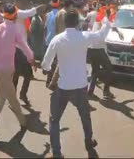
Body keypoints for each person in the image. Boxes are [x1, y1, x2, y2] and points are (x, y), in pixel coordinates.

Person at [42, 9, 111, 158]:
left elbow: (46, 63)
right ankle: (88, 141)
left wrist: (46, 69)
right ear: (77, 23)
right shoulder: (84, 37)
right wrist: (106, 21)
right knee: (85, 115)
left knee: (54, 120)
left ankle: (57, 153)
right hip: (80, 86)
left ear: (65, 22)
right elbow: (101, 35)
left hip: (63, 87)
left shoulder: (57, 39)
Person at [0, 3, 35, 142]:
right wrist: (31, 59)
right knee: (1, 101)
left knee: (10, 97)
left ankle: (23, 122)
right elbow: (25, 47)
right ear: (15, 16)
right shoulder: (15, 30)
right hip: (8, 69)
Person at [46, 0, 74, 89]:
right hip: (65, 40)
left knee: (58, 62)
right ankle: (54, 83)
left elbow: (56, 27)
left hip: (58, 39)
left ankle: (52, 81)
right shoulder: (67, 14)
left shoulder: (59, 13)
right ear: (70, 5)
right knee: (61, 62)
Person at [87, 8, 115, 99]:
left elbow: (112, 26)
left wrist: (117, 31)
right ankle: (106, 91)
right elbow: (103, 35)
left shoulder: (98, 20)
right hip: (98, 49)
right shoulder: (105, 23)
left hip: (90, 48)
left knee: (95, 71)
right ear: (109, 14)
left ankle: (90, 92)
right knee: (109, 69)